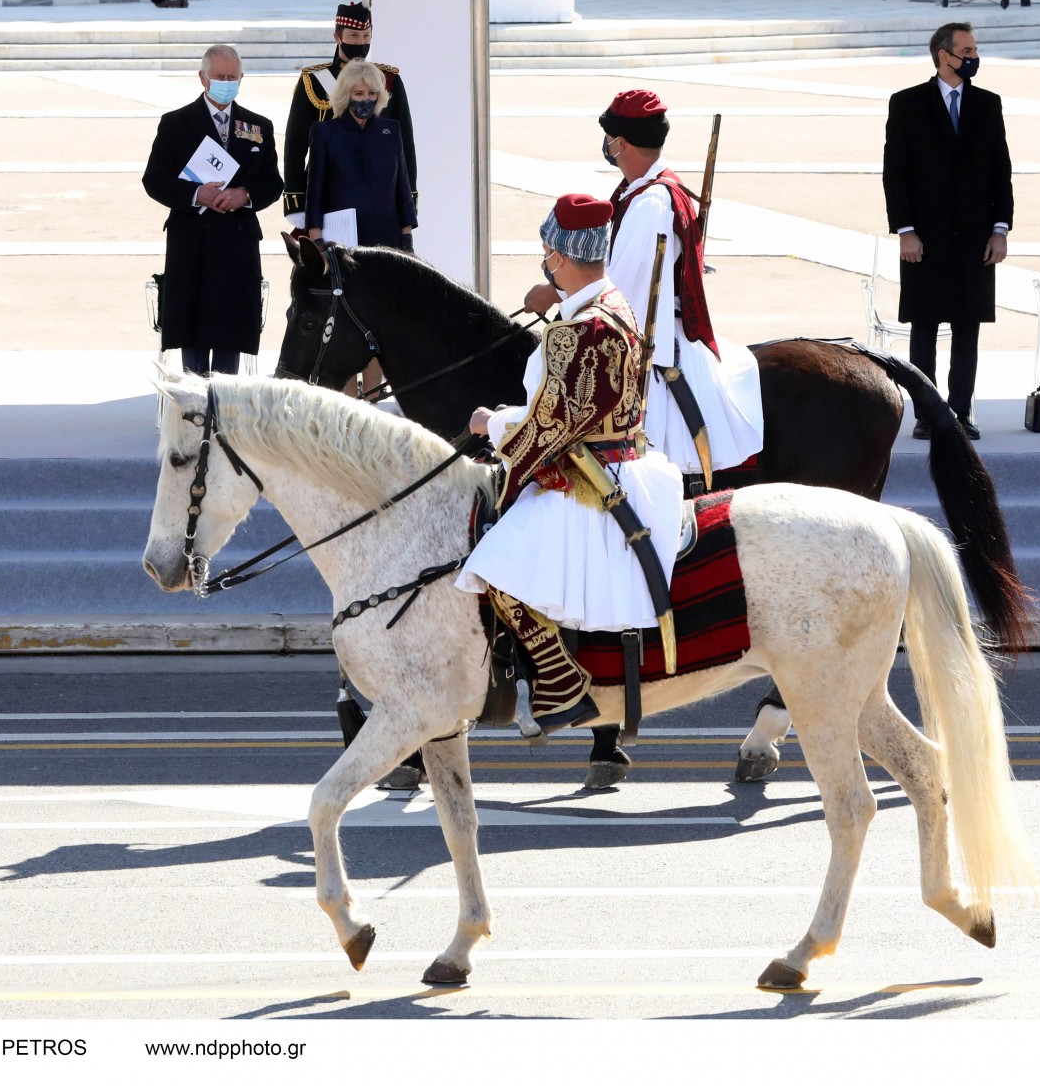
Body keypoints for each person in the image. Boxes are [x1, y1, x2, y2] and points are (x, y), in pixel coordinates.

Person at [457, 193, 683, 733]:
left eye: (546, 251)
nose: (545, 260)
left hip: (590, 477)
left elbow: (548, 428)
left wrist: (491, 425)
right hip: (610, 457)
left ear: (558, 257)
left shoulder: (581, 330)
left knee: (491, 569)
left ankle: (559, 683)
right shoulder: (612, 305)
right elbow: (564, 409)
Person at [526, 90, 761, 492]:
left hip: (651, 345)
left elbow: (622, 295)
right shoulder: (648, 190)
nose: (607, 146)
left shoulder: (650, 204)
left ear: (621, 143)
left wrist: (556, 293)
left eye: (610, 137)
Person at [883, 21, 1015, 439]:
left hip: (975, 237)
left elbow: (1001, 172)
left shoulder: (988, 104)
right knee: (924, 326)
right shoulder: (907, 104)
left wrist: (1000, 230)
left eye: (975, 50)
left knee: (967, 326)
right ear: (945, 56)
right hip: (925, 237)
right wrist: (905, 230)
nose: (974, 57)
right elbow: (895, 173)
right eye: (967, 50)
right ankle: (928, 413)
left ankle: (958, 413)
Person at [142, 43, 282, 375]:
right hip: (192, 242)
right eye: (220, 76)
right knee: (192, 328)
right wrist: (196, 194)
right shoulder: (176, 123)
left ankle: (227, 407)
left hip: (237, 243)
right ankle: (196, 410)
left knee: (231, 329)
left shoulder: (258, 126)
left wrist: (244, 195)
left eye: (233, 77)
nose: (226, 82)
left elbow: (273, 183)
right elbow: (155, 180)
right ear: (203, 78)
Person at [282, 0, 416, 228]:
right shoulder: (314, 80)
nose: (361, 43)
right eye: (354, 36)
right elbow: (295, 145)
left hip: (379, 193)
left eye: (366, 36)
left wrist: (409, 198)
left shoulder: (388, 80)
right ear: (337, 37)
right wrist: (295, 200)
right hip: (326, 192)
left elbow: (405, 146)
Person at [303, 61, 416, 252]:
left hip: (388, 240)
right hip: (343, 242)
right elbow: (315, 192)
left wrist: (407, 238)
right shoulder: (324, 132)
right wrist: (317, 242)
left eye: (372, 93)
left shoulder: (390, 130)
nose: (366, 99)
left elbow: (402, 188)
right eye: (359, 93)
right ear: (346, 95)